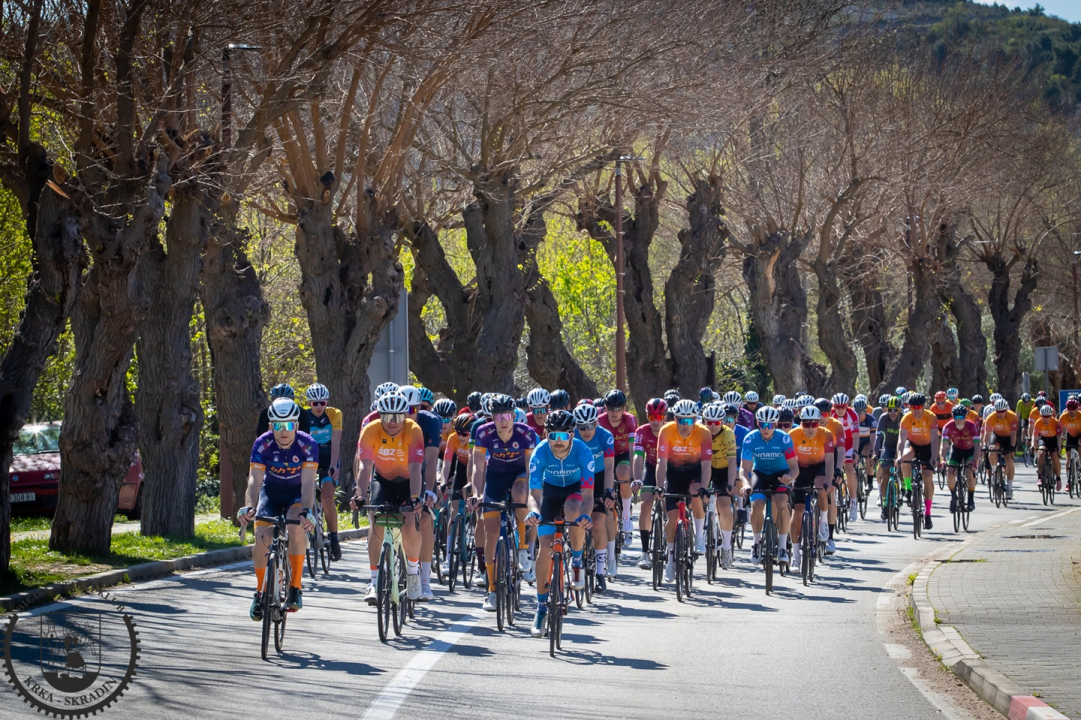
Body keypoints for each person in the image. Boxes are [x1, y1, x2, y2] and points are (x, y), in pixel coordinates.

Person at [238, 398, 318, 618]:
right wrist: (249, 506)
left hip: (296, 494)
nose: (284, 431)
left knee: (296, 526)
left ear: (297, 426)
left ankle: (295, 587)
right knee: (261, 536)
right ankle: (259, 592)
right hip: (270, 491)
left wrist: (307, 511)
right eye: (279, 426)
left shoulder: (308, 444)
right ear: (271, 426)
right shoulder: (262, 444)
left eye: (290, 425)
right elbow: (254, 480)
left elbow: (309, 483)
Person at [525, 410, 595, 637]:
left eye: (563, 436)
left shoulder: (584, 453)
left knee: (575, 512)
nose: (557, 442)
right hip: (549, 493)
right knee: (544, 550)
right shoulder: (539, 452)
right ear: (546, 434)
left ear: (572, 436)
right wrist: (534, 512)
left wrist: (585, 516)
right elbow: (533, 493)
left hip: (574, 492)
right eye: (553, 435)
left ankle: (576, 563)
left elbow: (588, 496)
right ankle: (541, 607)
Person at [352, 392, 424, 604]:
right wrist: (358, 495)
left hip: (408, 481)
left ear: (405, 416)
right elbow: (365, 467)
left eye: (398, 417)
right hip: (382, 480)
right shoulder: (370, 430)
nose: (392, 422)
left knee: (410, 524)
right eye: (387, 417)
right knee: (375, 523)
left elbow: (415, 467)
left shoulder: (414, 430)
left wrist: (414, 498)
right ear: (379, 415)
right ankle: (374, 583)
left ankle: (412, 573)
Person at [472, 394, 536, 611]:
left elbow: (529, 468)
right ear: (492, 417)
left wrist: (531, 496)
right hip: (495, 477)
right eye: (498, 416)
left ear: (514, 415)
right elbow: (478, 468)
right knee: (491, 532)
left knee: (520, 494)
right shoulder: (483, 433)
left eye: (507, 415)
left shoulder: (526, 433)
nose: (504, 420)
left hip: (518, 474)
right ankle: (491, 589)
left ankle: (523, 549)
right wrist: (477, 493)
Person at [657, 400, 712, 582]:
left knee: (696, 492)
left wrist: (704, 488)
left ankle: (699, 538)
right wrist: (659, 486)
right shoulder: (666, 430)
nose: (685, 425)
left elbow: (706, 465)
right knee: (672, 519)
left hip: (694, 472)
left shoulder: (704, 433)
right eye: (681, 420)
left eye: (690, 421)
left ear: (696, 419)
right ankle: (671, 559)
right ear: (675, 418)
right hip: (673, 473)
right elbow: (661, 463)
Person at [399, 385, 444, 601]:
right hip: (399, 473)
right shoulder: (392, 422)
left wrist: (429, 489)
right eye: (404, 409)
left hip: (423, 472)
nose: (408, 414)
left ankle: (425, 580)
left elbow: (432, 457)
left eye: (413, 409)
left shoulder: (431, 422)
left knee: (425, 521)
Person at [738, 406, 798, 565]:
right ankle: (756, 544)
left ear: (776, 424)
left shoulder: (784, 438)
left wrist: (789, 478)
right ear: (757, 423)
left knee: (782, 504)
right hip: (760, 474)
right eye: (762, 424)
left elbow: (794, 467)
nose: (766, 428)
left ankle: (783, 547)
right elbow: (745, 469)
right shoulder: (750, 438)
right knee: (756, 504)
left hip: (781, 474)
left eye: (770, 425)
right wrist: (745, 484)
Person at [574, 402, 616, 591]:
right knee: (575, 518)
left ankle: (600, 572)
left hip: (598, 477)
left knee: (598, 523)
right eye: (582, 427)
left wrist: (608, 491)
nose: (586, 430)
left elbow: (608, 467)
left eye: (590, 425)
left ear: (596, 424)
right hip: (576, 476)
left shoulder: (605, 436)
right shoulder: (571, 436)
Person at [787, 405, 834, 570]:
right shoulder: (792, 435)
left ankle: (823, 523)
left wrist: (829, 480)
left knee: (821, 487)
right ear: (800, 423)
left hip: (819, 468)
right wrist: (789, 480)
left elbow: (829, 461)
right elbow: (786, 461)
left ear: (819, 423)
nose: (810, 428)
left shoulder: (826, 434)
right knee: (797, 511)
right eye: (806, 424)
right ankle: (795, 555)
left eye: (813, 424)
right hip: (799, 470)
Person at [301, 383, 343, 561]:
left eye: (322, 403)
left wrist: (333, 465)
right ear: (309, 403)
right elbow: (300, 442)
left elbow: (335, 442)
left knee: (326, 498)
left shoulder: (334, 414)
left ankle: (334, 538)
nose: (318, 407)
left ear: (327, 402)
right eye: (314, 403)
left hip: (327, 459)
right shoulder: (303, 416)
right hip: (309, 458)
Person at [598, 389, 637, 550]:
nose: (614, 414)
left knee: (623, 473)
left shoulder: (630, 420)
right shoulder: (599, 420)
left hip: (622, 455)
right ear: (605, 408)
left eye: (618, 410)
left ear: (624, 408)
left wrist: (634, 475)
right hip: (604, 455)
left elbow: (632, 449)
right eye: (611, 409)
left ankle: (627, 515)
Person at [632, 398, 666, 569]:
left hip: (669, 468)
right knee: (645, 503)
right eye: (651, 417)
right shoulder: (641, 431)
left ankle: (673, 542)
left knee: (668, 502)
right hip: (651, 467)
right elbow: (638, 457)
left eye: (659, 417)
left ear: (665, 417)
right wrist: (637, 479)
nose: (655, 421)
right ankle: (645, 552)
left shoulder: (670, 431)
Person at [702, 402, 738, 568]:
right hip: (705, 468)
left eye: (717, 423)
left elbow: (732, 462)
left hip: (723, 470)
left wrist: (730, 484)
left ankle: (726, 546)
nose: (713, 426)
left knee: (724, 506)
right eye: (709, 422)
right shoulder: (700, 432)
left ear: (722, 422)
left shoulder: (728, 434)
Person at [896, 393, 939, 530]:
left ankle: (927, 513)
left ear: (923, 406)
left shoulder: (931, 417)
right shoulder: (906, 418)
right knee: (905, 458)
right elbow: (901, 440)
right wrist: (898, 456)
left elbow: (934, 440)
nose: (916, 410)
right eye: (913, 407)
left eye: (919, 407)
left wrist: (934, 457)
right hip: (913, 445)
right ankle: (908, 488)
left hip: (927, 447)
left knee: (927, 477)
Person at [940, 405, 980, 513]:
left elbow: (977, 447)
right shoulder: (948, 427)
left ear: (966, 416)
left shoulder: (972, 426)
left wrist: (974, 462)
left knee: (969, 469)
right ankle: (954, 497)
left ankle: (971, 499)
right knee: (950, 471)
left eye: (961, 416)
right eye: (956, 417)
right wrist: (943, 459)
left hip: (970, 450)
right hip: (956, 450)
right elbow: (944, 446)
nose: (958, 419)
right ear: (952, 416)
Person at [983, 398, 1019, 500]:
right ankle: (994, 472)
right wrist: (985, 445)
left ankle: (1010, 487)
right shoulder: (991, 417)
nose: (1000, 414)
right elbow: (988, 433)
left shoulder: (1012, 416)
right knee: (992, 450)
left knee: (1008, 459)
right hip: (997, 436)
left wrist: (1012, 447)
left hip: (1008, 438)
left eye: (1002, 411)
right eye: (998, 411)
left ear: (1006, 410)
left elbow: (1013, 433)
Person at [874, 396, 902, 520]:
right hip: (888, 446)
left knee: (902, 468)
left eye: (895, 410)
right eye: (890, 410)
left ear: (900, 409)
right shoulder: (883, 418)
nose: (892, 412)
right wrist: (876, 453)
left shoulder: (904, 418)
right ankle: (885, 505)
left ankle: (904, 490)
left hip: (901, 446)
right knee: (885, 473)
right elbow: (879, 436)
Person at [1032, 403, 1062, 490]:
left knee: (1055, 458)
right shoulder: (1038, 422)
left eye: (1048, 416)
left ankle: (1058, 478)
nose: (1045, 418)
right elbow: (1035, 436)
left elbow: (1059, 436)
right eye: (1043, 416)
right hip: (1043, 439)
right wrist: (1035, 447)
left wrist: (1059, 447)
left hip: (1053, 440)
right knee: (1041, 453)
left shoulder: (1056, 422)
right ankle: (1040, 476)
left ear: (1051, 415)